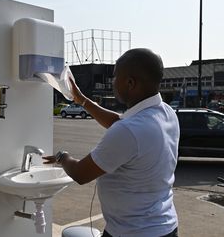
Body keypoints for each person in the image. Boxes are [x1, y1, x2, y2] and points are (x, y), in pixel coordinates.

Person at [44, 48, 179, 237]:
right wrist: (82, 100)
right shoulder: (165, 112)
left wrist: (62, 156)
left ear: (130, 83)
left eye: (115, 77)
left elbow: (80, 174)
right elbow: (120, 122)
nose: (113, 82)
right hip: (165, 226)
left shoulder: (129, 131)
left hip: (132, 232)